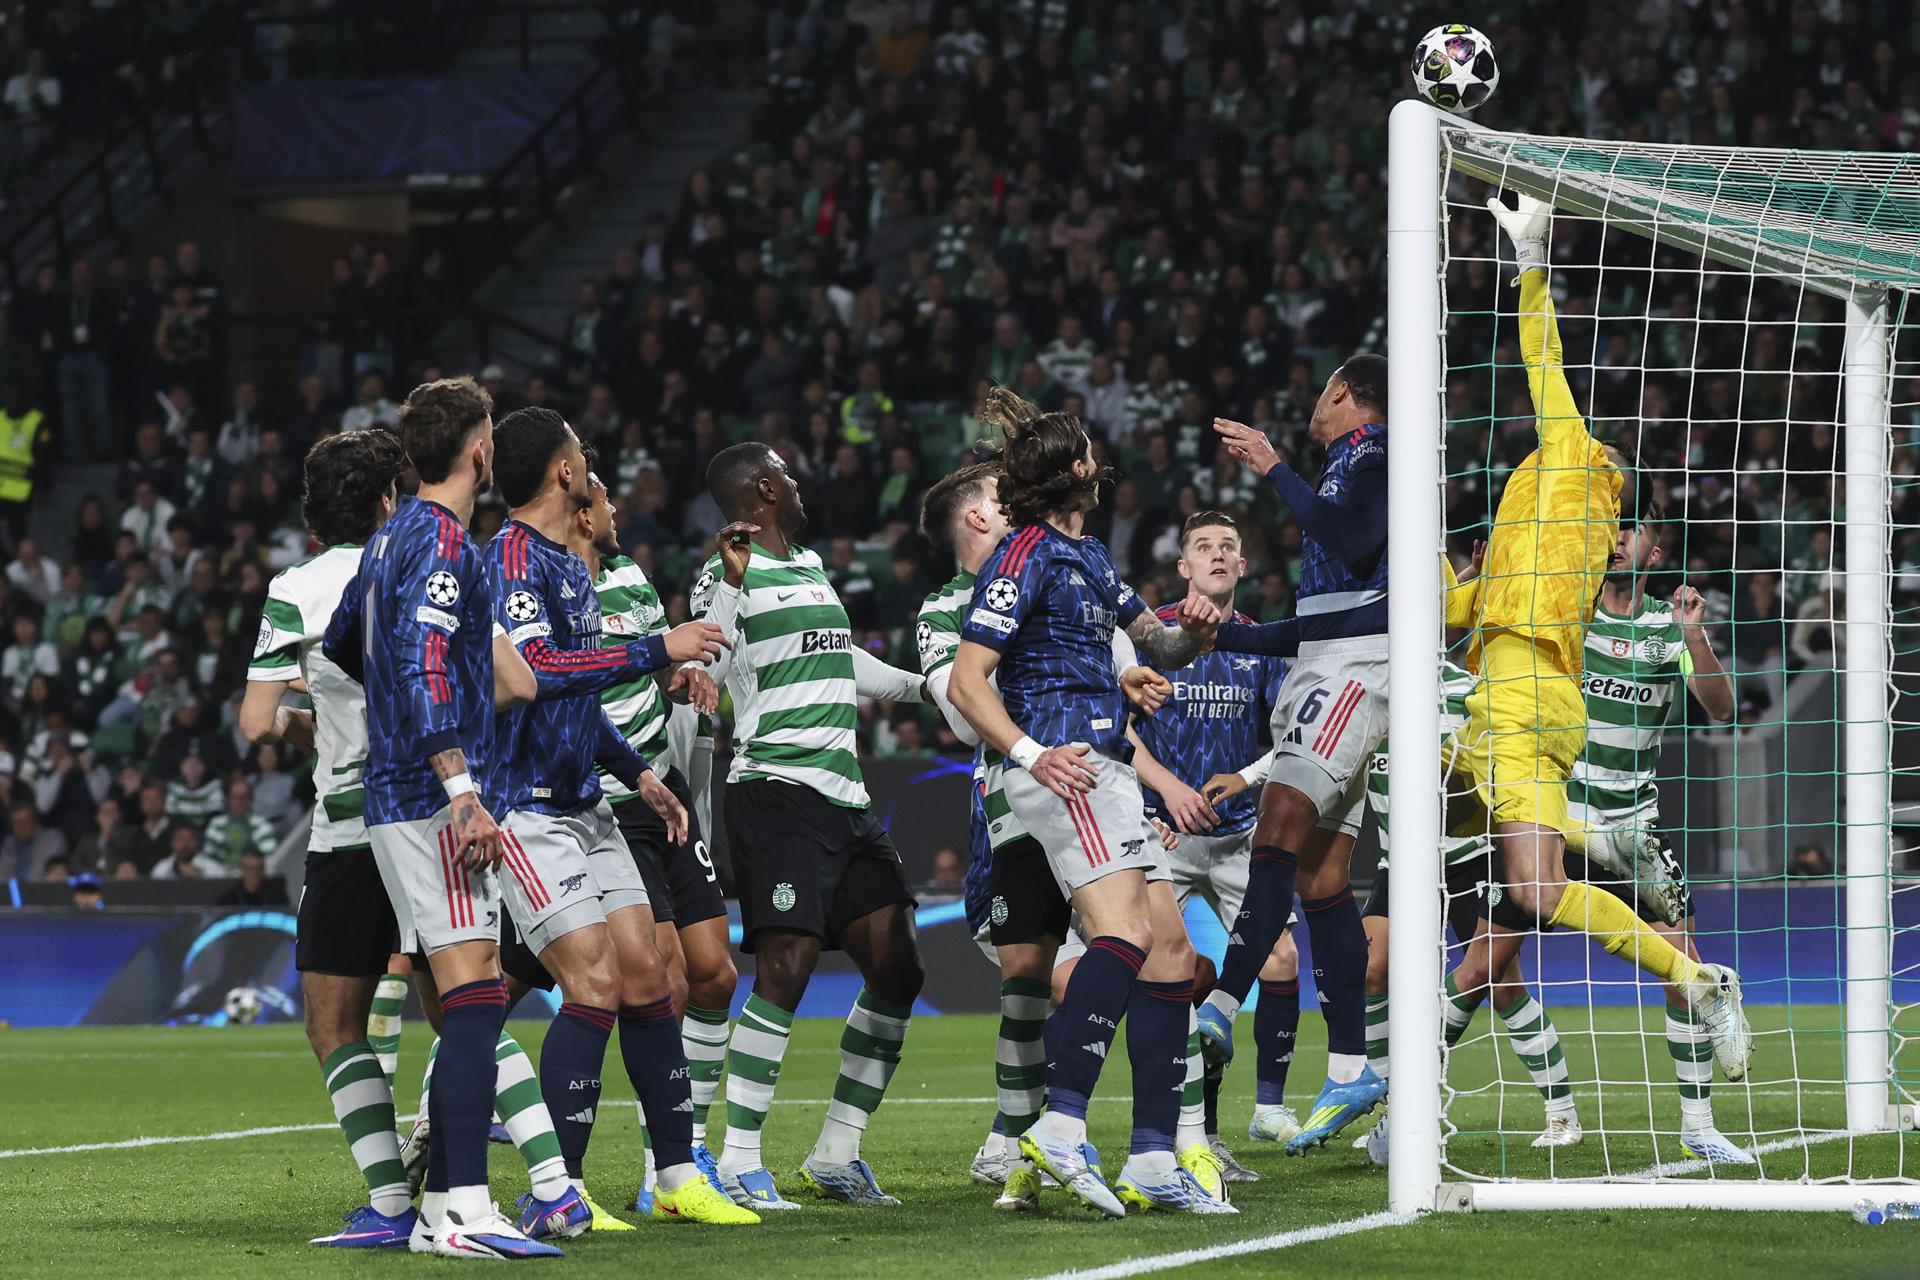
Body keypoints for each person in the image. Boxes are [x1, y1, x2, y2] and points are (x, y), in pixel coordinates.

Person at [1442, 195, 1751, 1091]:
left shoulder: (1576, 471)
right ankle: (1692, 973)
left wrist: (1529, 257)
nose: (1599, 452)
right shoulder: (1526, 524)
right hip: (1522, 700)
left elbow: (1545, 362)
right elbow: (1464, 612)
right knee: (1527, 895)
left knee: (1451, 859)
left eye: (1611, 461)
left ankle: (1397, 1089)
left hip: (1516, 702)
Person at [946, 388, 1230, 1217]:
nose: (1099, 463)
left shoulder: (1093, 556)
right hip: (1063, 768)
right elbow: (968, 682)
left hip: (1108, 765)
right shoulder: (1023, 554)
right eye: (1088, 454)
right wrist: (1032, 755)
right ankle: (1060, 1126)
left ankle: (1149, 1158)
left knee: (1165, 951)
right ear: (1072, 469)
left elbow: (1157, 638)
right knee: (1127, 935)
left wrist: (1197, 631)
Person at [479, 407, 749, 1230]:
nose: (587, 462)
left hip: (588, 801)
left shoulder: (567, 565)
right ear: (564, 474)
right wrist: (655, 649)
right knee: (592, 982)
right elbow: (534, 670)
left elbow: (577, 701)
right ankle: (553, 1193)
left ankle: (675, 1175)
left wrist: (636, 772)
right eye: (580, 454)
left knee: (648, 978)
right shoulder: (511, 561)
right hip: (523, 808)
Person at [319, 376, 562, 1260]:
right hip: (431, 800)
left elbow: (350, 644)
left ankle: (448, 1209)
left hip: (398, 792)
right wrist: (460, 788)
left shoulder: (387, 543)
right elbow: (421, 663)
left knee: (474, 990)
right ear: (480, 450)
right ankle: (459, 1209)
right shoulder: (450, 544)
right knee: (474, 997)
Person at [915, 461, 1172, 1204]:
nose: (1017, 504)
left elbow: (1121, 665)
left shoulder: (1067, 568)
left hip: (1094, 776)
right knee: (1039, 977)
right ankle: (1025, 1131)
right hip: (1019, 800)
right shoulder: (944, 609)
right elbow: (965, 708)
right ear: (976, 518)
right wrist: (1035, 730)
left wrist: (1122, 686)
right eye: (1002, 498)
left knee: (1154, 950)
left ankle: (1166, 1144)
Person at [693, 440, 930, 1210]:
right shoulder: (724, 573)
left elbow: (838, 659)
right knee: (787, 965)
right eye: (787, 476)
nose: (799, 484)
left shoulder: (806, 565)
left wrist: (927, 691)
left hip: (844, 796)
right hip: (775, 788)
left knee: (899, 967)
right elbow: (708, 673)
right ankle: (735, 1159)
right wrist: (726, 589)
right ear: (764, 489)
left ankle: (836, 1151)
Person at [1199, 353, 1394, 1155]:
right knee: (1319, 877)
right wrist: (1248, 636)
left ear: (1343, 393)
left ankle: (1219, 1006)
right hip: (1331, 660)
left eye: (1322, 391)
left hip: (1356, 673)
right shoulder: (1350, 464)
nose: (1314, 404)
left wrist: (1273, 464)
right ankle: (1350, 1068)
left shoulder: (1379, 457)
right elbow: (1326, 612)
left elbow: (1350, 540)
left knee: (1277, 819)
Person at [1545, 507, 1748, 1162]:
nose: (1623, 536)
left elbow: (1722, 708)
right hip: (1558, 816)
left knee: (1681, 964)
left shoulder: (1667, 626)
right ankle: (1402, 1113)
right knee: (1487, 960)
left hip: (1631, 826)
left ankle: (1698, 1129)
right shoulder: (1569, 613)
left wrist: (1695, 639)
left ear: (1655, 554)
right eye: (1616, 526)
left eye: (1638, 529)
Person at [572, 451, 737, 1184]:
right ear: (581, 509)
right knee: (657, 978)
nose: (615, 513)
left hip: (666, 790)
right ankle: (662, 1163)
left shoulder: (633, 580)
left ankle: (683, 1143)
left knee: (716, 974)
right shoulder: (549, 588)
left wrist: (681, 674)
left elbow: (652, 663)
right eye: (604, 499)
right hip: (612, 802)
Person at [1123, 510, 1296, 1165]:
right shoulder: (1152, 634)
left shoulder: (1259, 640)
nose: (1218, 555)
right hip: (1158, 835)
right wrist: (1164, 792)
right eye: (1204, 547)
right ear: (1184, 566)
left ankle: (1266, 1112)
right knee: (1162, 974)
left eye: (1229, 547)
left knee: (1279, 963)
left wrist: (1246, 778)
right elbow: (1120, 728)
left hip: (1234, 838)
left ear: (1242, 567)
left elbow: (1290, 737)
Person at [215, 851, 291, 907]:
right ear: (242, 870)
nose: (252, 873)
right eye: (248, 868)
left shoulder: (277, 897)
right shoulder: (228, 899)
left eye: (256, 868)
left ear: (262, 871)